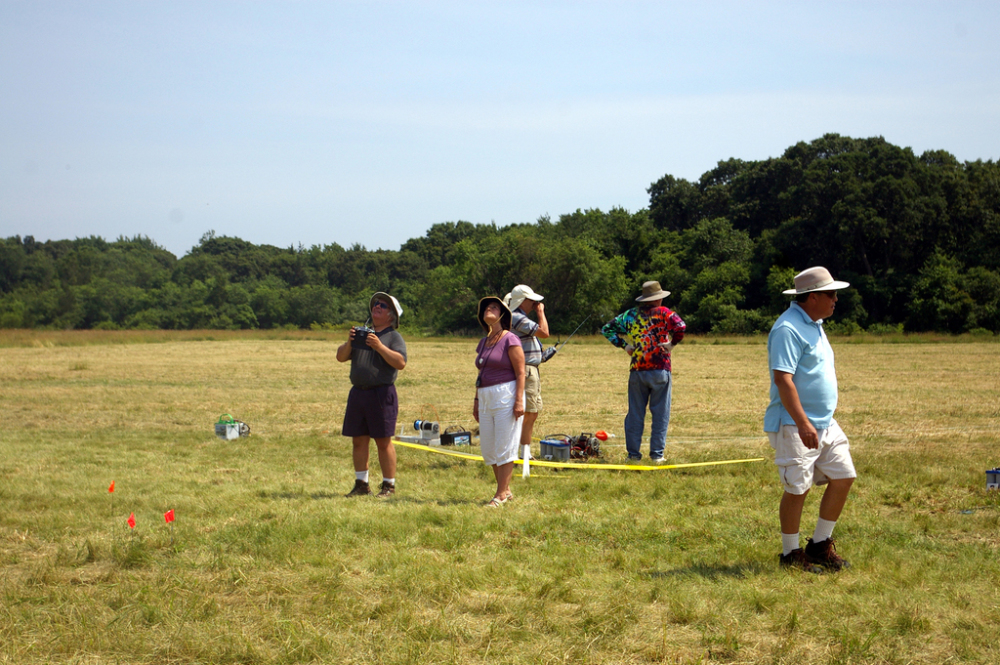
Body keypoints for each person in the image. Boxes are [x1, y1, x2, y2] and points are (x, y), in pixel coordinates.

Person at [766, 267, 856, 572]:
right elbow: (783, 379)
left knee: (844, 476)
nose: (835, 300)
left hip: (825, 422)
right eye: (831, 294)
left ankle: (819, 545)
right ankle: (790, 554)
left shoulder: (815, 324)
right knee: (798, 488)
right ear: (813, 297)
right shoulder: (787, 328)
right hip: (795, 423)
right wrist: (803, 423)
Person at [601, 281, 686, 462]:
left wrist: (625, 345)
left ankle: (633, 456)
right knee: (660, 414)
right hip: (660, 369)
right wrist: (671, 345)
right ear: (659, 298)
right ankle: (657, 456)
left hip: (638, 369)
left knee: (635, 414)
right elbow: (680, 327)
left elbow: (607, 329)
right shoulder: (664, 313)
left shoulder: (630, 315)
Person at [336, 292, 407, 498]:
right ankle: (361, 484)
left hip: (381, 393)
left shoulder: (393, 336)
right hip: (358, 392)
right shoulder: (362, 333)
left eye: (382, 305)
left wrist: (379, 346)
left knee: (383, 441)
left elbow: (400, 363)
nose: (377, 306)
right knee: (358, 440)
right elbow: (340, 357)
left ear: (391, 315)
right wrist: (350, 342)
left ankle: (388, 486)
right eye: (376, 303)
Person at [472, 296, 526, 507]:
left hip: (506, 394)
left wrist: (519, 401)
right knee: (489, 448)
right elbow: (479, 372)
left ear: (502, 314)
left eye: (493, 307)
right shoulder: (483, 342)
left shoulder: (510, 339)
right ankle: (506, 489)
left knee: (505, 445)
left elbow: (521, 372)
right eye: (485, 307)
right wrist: (476, 400)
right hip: (485, 396)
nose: (488, 309)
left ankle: (500, 495)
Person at [504, 285, 549, 460]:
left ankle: (524, 451)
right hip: (527, 371)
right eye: (532, 300)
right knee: (528, 412)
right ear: (522, 301)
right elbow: (544, 332)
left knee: (533, 412)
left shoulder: (518, 318)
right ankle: (522, 452)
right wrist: (541, 313)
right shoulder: (516, 317)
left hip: (532, 369)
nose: (535, 303)